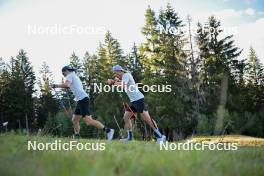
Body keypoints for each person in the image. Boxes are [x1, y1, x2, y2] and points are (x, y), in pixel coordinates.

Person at [107, 65, 166, 144]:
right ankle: (130, 137)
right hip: (133, 101)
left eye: (115, 73)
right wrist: (114, 82)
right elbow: (120, 84)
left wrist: (113, 82)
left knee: (147, 118)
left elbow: (122, 85)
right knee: (126, 117)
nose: (115, 75)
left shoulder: (126, 75)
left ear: (119, 71)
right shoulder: (123, 78)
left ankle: (160, 136)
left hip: (139, 99)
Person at [52, 65, 114, 140]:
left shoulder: (69, 75)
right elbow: (74, 87)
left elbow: (66, 85)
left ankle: (108, 131)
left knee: (89, 121)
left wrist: (56, 85)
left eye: (63, 73)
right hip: (80, 100)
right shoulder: (74, 76)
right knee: (74, 120)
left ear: (66, 71)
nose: (63, 75)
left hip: (83, 99)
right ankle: (77, 137)